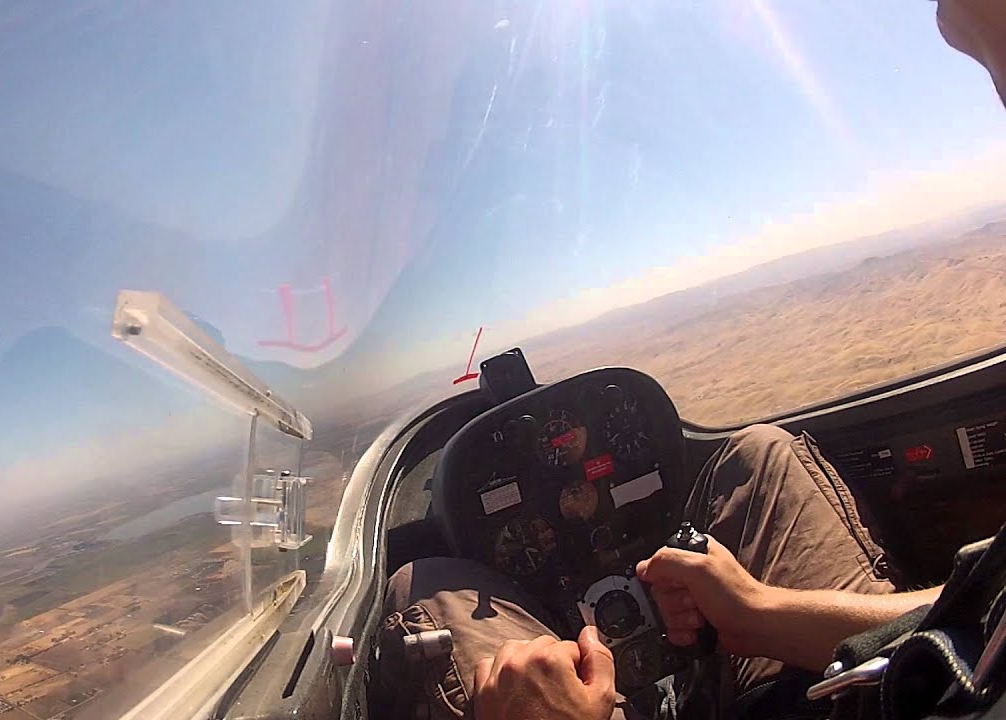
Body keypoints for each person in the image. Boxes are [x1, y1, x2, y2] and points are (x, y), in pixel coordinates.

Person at [375, 5, 1006, 719]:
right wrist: (761, 614)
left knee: (430, 589)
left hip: (890, 689)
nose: (947, 25)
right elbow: (981, 605)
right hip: (882, 686)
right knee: (759, 458)